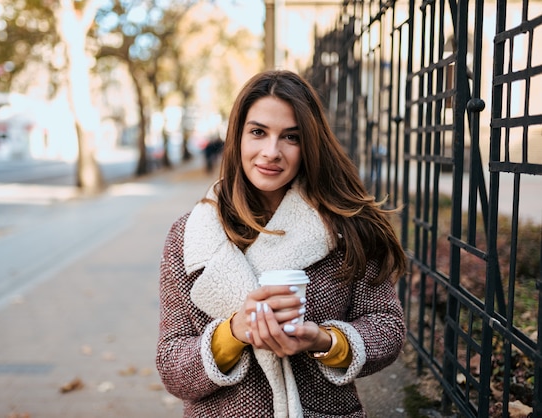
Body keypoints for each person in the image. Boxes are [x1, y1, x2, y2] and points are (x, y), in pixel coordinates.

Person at [156, 70, 407, 417]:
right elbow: (171, 365)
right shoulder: (192, 236)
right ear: (237, 137)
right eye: (258, 132)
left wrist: (324, 340)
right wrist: (233, 333)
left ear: (309, 145)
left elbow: (387, 327)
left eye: (291, 137)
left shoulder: (345, 226)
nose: (271, 152)